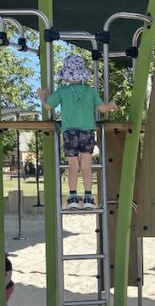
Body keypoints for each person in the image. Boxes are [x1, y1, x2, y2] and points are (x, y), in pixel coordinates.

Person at [38, 54, 117, 210]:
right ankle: (88, 198)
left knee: (72, 165)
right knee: (87, 165)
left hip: (69, 133)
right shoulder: (90, 91)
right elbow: (103, 109)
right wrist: (112, 105)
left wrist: (42, 97)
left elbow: (48, 107)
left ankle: (73, 197)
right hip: (87, 132)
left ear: (66, 75)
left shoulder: (62, 91)